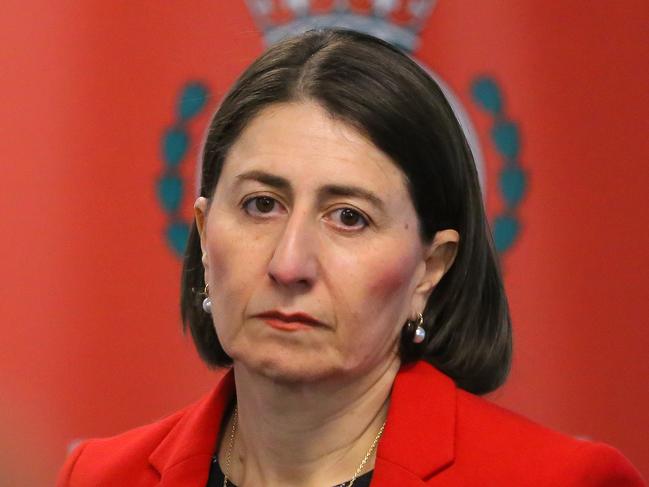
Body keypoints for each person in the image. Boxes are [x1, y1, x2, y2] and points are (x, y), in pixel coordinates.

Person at [56, 29, 645, 486]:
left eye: (349, 217)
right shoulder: (101, 476)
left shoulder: (558, 481)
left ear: (430, 268)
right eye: (262, 204)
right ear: (206, 234)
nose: (290, 265)